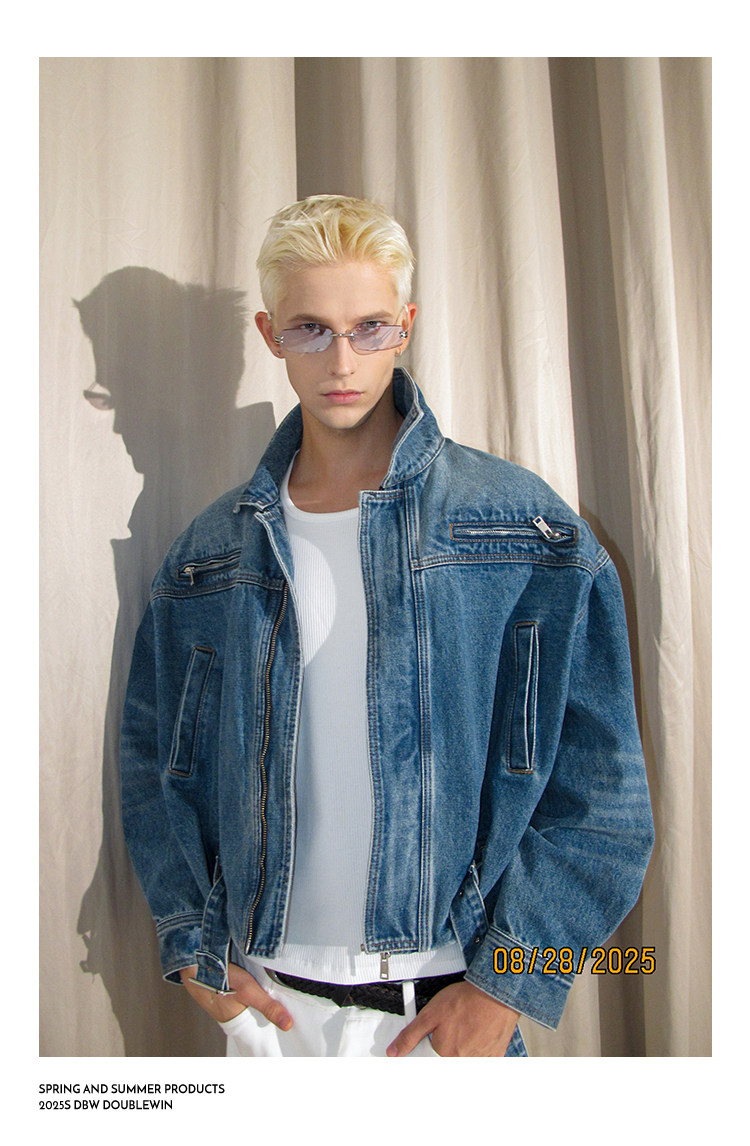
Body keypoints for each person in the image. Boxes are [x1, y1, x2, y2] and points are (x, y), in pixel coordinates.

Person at [120, 194, 654, 1057]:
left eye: (368, 327)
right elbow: (156, 769)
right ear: (270, 335)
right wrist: (190, 945)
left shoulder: (524, 530)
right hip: (267, 1019)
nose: (342, 360)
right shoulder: (207, 556)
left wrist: (510, 987)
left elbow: (605, 798)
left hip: (443, 1017)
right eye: (311, 329)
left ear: (405, 327)